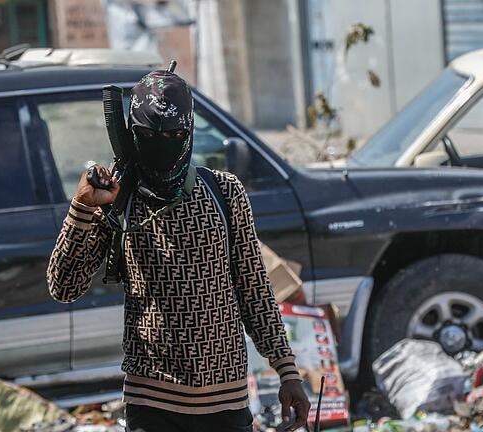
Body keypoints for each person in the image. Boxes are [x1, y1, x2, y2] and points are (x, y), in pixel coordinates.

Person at [47, 68, 310, 432]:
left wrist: (287, 370)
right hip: (151, 402)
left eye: (174, 135)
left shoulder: (224, 192)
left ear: (188, 134)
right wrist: (83, 208)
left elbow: (254, 289)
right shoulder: (119, 201)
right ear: (132, 135)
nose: (163, 143)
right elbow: (64, 286)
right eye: (150, 136)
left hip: (226, 401)